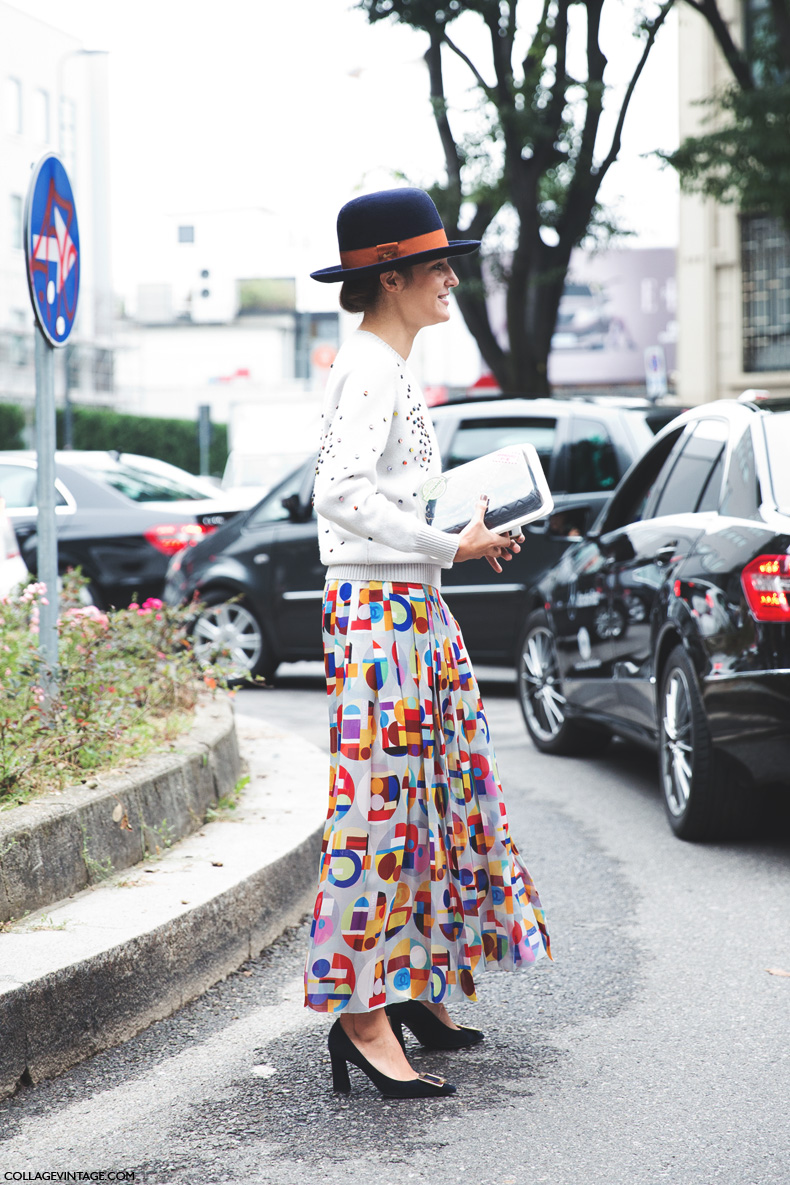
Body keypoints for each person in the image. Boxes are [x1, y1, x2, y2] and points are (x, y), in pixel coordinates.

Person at [304, 188, 550, 1099]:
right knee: (377, 815)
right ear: (391, 275)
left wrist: (464, 530)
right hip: (377, 613)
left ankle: (410, 985)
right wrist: (453, 543)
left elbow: (386, 500)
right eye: (438, 263)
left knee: (425, 808)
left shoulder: (388, 362)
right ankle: (362, 1014)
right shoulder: (369, 365)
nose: (452, 276)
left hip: (406, 609)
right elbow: (340, 495)